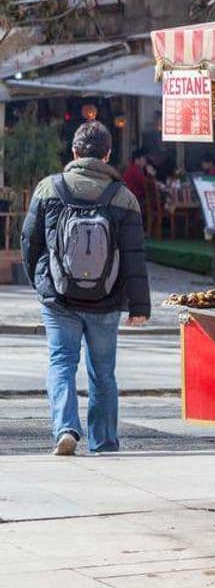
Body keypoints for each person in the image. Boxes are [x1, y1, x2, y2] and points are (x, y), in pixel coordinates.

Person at [20, 121, 151, 456]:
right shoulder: (124, 198)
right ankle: (104, 441)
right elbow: (135, 257)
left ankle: (65, 428)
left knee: (61, 362)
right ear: (108, 154)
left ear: (74, 152)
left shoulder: (49, 189)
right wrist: (139, 307)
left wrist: (40, 281)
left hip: (59, 297)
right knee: (103, 373)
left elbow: (29, 241)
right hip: (106, 301)